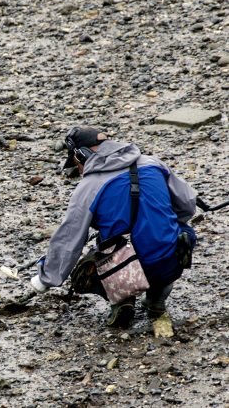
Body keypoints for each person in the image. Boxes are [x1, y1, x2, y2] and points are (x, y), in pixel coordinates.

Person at [30, 126, 197, 327]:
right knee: (184, 232)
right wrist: (161, 222)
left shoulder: (88, 188)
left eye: (76, 163)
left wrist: (46, 279)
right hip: (168, 263)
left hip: (122, 268)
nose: (79, 170)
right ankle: (156, 300)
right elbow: (187, 205)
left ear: (81, 155)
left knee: (92, 260)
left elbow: (69, 240)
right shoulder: (153, 164)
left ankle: (121, 299)